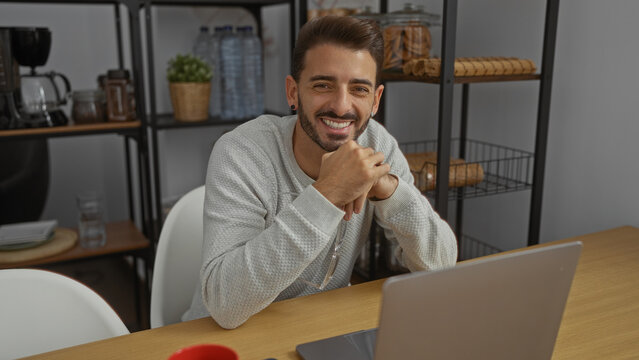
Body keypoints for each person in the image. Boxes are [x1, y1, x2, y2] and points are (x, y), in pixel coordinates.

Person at [182, 15, 457, 329]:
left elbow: (443, 265)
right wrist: (327, 193)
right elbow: (224, 304)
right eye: (323, 85)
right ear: (293, 92)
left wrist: (388, 187)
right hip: (226, 339)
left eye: (359, 89)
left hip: (316, 327)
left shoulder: (377, 144)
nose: (341, 106)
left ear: (376, 99)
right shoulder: (242, 152)